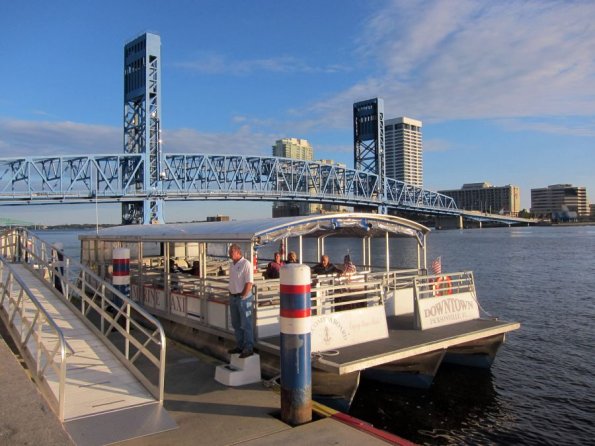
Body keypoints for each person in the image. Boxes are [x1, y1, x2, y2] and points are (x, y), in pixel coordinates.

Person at [227, 244, 254, 358]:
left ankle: (248, 347)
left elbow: (249, 283)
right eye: (229, 252)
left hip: (243, 298)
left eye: (231, 252)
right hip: (233, 297)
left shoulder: (246, 264)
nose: (229, 254)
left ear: (238, 252)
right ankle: (240, 345)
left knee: (246, 323)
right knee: (236, 323)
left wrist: (242, 295)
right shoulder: (232, 265)